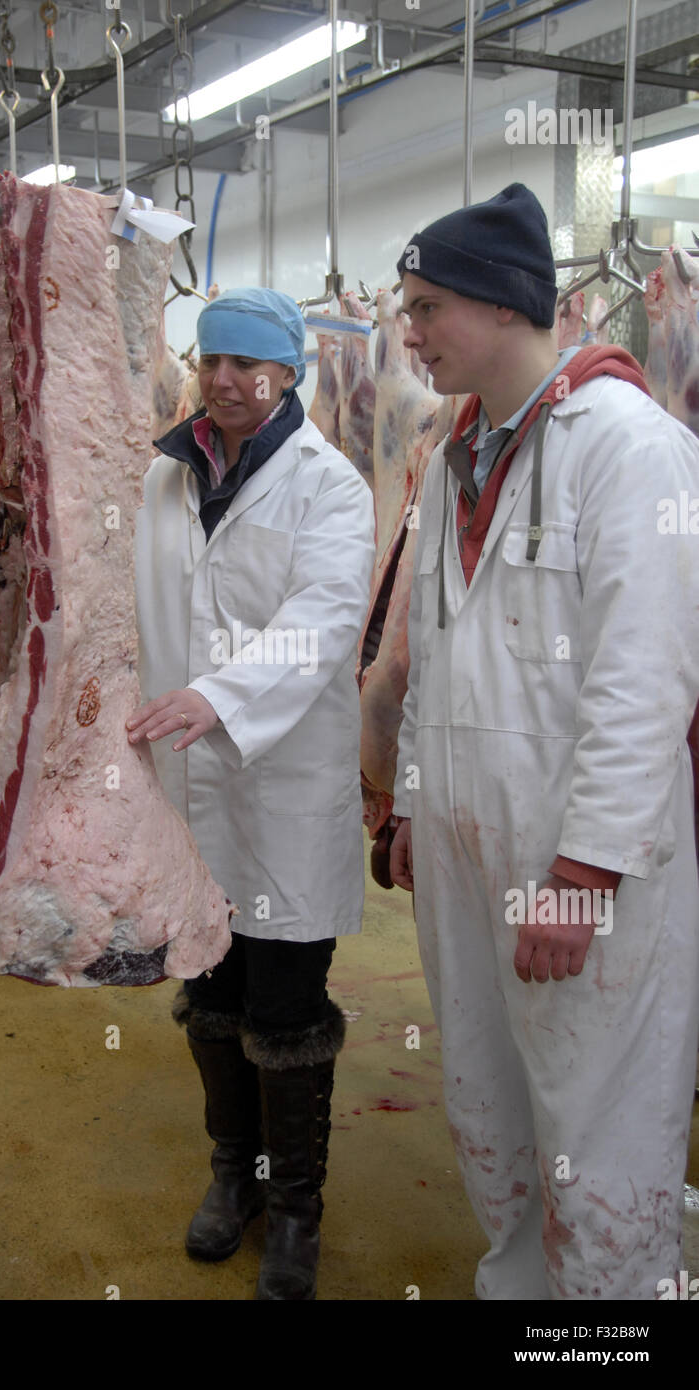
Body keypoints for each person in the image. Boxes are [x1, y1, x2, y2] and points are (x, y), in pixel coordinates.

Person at [388, 183, 699, 1300]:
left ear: (509, 303)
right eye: (406, 307)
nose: (409, 333)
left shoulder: (628, 446)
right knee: (486, 1096)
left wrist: (584, 871)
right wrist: (415, 800)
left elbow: (648, 674)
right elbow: (429, 656)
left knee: (598, 1119)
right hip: (471, 854)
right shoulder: (453, 455)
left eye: (428, 308)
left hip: (580, 867)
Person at [128, 287, 376, 1300]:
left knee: (285, 1001)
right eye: (211, 362)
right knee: (211, 992)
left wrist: (215, 695)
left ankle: (295, 1209)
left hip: (283, 789)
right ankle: (233, 1176)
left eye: (248, 365)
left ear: (286, 374)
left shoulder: (332, 487)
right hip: (188, 786)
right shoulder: (161, 475)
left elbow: (321, 624)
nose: (224, 381)